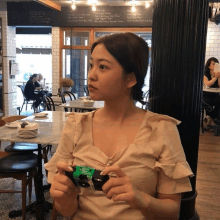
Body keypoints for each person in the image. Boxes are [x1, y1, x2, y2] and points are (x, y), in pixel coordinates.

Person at [45, 33, 194, 220]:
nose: (91, 75)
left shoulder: (161, 129)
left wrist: (140, 199)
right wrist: (63, 196)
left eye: (102, 67)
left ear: (130, 79)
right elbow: (67, 211)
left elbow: (172, 213)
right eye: (91, 65)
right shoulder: (76, 126)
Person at [203, 57, 220, 128]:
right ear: (209, 65)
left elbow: (219, 85)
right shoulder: (205, 73)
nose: (214, 65)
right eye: (213, 64)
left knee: (219, 102)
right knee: (207, 103)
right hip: (206, 94)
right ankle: (213, 117)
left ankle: (211, 118)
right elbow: (207, 83)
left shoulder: (218, 74)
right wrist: (215, 77)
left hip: (215, 94)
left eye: (216, 64)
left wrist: (218, 77)